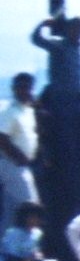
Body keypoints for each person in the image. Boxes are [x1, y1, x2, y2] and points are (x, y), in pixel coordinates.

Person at [0, 74, 39, 234]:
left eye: (27, 87)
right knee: (29, 206)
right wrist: (19, 157)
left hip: (22, 165)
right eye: (21, 87)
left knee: (12, 212)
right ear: (14, 89)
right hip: (12, 164)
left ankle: (7, 250)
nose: (25, 91)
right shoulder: (10, 111)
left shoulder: (27, 110)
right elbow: (2, 138)